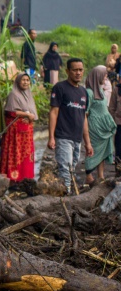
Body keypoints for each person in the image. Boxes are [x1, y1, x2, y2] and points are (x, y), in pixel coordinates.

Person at [48, 58, 93, 194]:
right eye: (74, 70)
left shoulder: (84, 92)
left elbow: (84, 117)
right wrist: (51, 137)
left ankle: (66, 194)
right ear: (67, 71)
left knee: (72, 168)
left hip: (77, 138)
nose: (78, 73)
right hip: (63, 136)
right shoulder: (60, 88)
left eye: (80, 70)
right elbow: (54, 112)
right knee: (65, 169)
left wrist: (88, 143)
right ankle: (65, 197)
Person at [0, 73, 37, 183]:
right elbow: (10, 111)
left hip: (26, 133)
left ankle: (26, 179)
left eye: (27, 80)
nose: (25, 82)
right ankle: (14, 180)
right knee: (15, 154)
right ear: (18, 81)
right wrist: (27, 115)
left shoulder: (29, 95)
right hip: (15, 133)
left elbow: (32, 113)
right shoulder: (13, 94)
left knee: (26, 156)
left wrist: (30, 117)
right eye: (23, 80)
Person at [84, 66, 115, 185]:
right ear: (98, 76)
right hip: (95, 127)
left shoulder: (100, 90)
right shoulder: (89, 92)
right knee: (93, 150)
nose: (106, 78)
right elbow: (86, 112)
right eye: (104, 75)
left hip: (103, 127)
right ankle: (88, 175)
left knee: (102, 152)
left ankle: (100, 176)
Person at [108, 78, 121, 178]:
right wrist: (112, 123)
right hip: (119, 123)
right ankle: (119, 171)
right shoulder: (117, 89)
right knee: (119, 148)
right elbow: (112, 107)